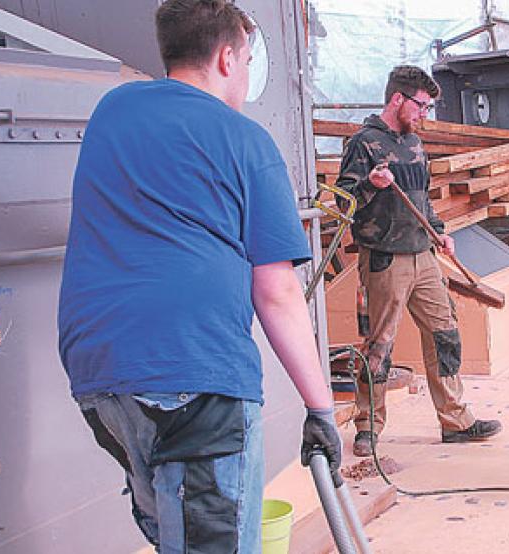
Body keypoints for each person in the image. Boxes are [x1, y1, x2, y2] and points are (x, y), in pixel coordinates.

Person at [57, 2, 340, 552]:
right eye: (249, 60)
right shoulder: (246, 141)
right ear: (228, 58)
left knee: (179, 537)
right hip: (194, 378)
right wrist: (321, 409)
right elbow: (277, 292)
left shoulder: (113, 110)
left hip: (101, 378)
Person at [335, 65, 502, 458]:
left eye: (428, 107)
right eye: (421, 106)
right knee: (379, 345)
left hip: (423, 255)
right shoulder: (364, 143)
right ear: (398, 99)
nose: (425, 114)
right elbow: (342, 203)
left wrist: (440, 231)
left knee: (445, 335)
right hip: (385, 259)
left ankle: (456, 421)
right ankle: (368, 426)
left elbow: (423, 199)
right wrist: (369, 185)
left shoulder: (414, 144)